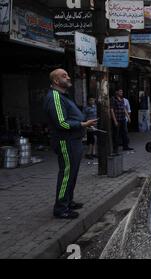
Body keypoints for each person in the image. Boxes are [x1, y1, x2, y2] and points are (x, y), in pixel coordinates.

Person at [43, 69, 97, 219]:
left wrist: (83, 124)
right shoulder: (54, 96)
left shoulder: (63, 95)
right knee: (67, 174)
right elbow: (61, 123)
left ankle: (68, 201)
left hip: (74, 141)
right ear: (55, 81)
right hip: (65, 142)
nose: (68, 77)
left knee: (72, 173)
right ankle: (61, 208)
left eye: (67, 74)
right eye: (63, 76)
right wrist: (82, 124)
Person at [110, 89, 133, 153]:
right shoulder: (113, 99)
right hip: (117, 119)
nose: (121, 93)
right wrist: (114, 120)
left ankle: (125, 146)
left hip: (123, 118)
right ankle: (115, 149)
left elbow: (124, 108)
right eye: (120, 91)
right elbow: (111, 110)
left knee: (125, 133)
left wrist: (128, 117)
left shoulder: (122, 99)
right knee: (116, 134)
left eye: (122, 91)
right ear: (116, 92)